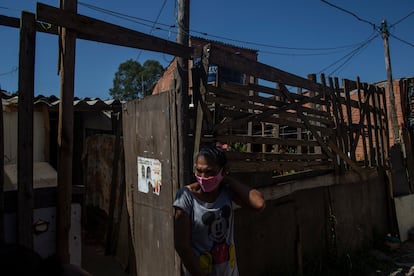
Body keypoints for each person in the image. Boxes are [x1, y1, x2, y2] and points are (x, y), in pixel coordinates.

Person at [173, 145, 266, 276]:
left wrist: (227, 180)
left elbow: (259, 204)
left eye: (210, 172)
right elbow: (182, 246)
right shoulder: (185, 197)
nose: (203, 177)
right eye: (199, 171)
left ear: (223, 171)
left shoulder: (225, 191)